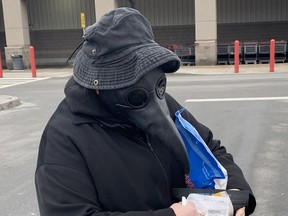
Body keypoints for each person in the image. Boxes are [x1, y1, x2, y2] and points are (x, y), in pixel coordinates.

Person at [35, 7, 256, 216]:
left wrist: (236, 191)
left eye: (156, 81)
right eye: (135, 93)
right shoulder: (64, 138)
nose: (151, 96)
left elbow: (209, 147)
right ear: (99, 84)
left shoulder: (164, 103)